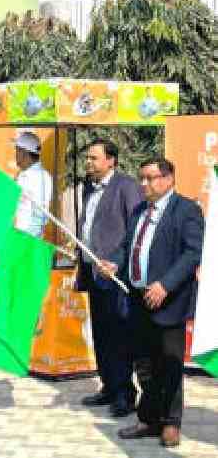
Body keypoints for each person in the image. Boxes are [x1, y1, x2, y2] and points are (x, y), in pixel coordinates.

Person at [98, 158, 204, 447]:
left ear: (168, 179)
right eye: (141, 178)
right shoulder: (139, 211)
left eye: (151, 178)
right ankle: (149, 418)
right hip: (137, 299)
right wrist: (114, 264)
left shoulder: (187, 210)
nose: (144, 184)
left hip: (169, 302)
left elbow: (193, 253)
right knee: (143, 363)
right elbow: (127, 247)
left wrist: (165, 284)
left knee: (168, 364)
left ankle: (171, 423)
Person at [76, 140, 145, 418]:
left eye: (94, 158)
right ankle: (108, 385)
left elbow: (136, 229)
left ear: (111, 160)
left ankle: (125, 394)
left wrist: (118, 262)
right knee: (101, 334)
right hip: (93, 273)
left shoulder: (126, 187)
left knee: (119, 336)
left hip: (116, 275)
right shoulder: (88, 188)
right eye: (87, 158)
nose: (89, 162)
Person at [13, 132, 53, 238]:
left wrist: (26, 242)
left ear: (24, 152)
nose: (15, 154)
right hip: (18, 238)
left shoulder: (40, 177)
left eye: (17, 150)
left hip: (27, 241)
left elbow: (40, 216)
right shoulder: (23, 175)